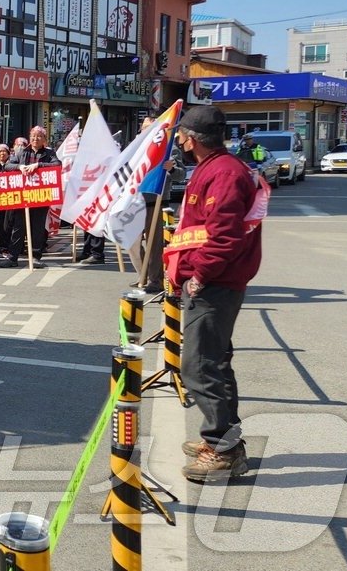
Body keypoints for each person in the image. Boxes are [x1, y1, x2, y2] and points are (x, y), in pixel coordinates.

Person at [167, 105, 261, 482]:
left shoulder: (224, 173)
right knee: (214, 361)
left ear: (192, 139)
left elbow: (223, 237)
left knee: (201, 365)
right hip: (214, 281)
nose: (178, 140)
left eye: (181, 135)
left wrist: (199, 275)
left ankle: (222, 448)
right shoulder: (217, 167)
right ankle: (224, 438)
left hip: (215, 284)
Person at [130, 115, 185, 292]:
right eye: (144, 127)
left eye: (151, 127)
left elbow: (181, 174)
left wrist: (172, 168)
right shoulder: (136, 148)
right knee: (131, 242)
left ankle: (155, 280)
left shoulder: (170, 148)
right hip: (134, 202)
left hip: (156, 202)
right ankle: (143, 274)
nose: (146, 130)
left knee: (154, 245)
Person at [0, 126, 59, 268]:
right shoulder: (21, 152)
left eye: (39, 136)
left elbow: (57, 165)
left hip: (41, 196)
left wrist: (38, 165)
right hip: (23, 196)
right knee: (18, 227)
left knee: (37, 228)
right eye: (33, 136)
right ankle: (13, 257)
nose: (35, 139)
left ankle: (36, 256)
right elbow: (7, 165)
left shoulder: (49, 153)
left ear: (44, 139)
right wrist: (19, 167)